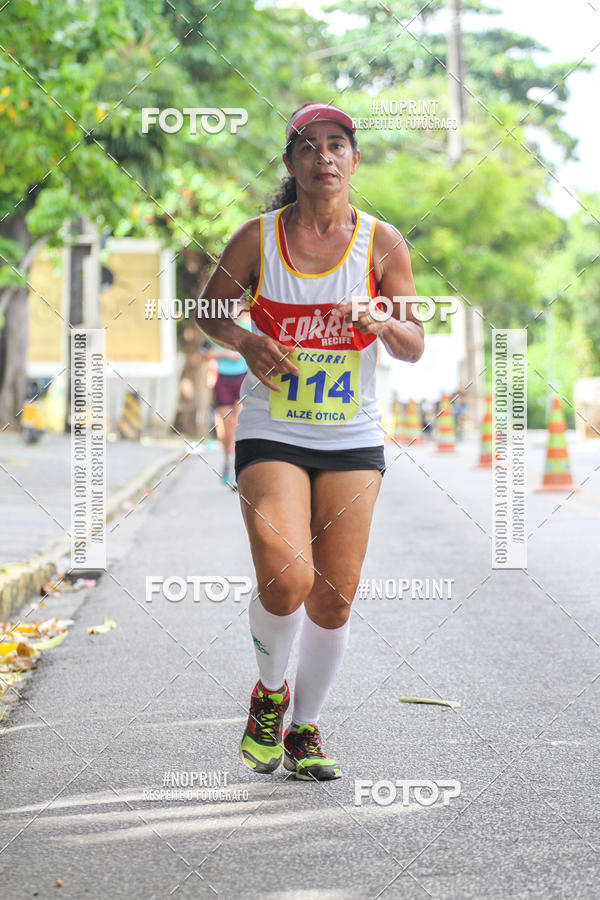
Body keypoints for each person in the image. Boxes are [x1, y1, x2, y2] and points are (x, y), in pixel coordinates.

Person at [198, 102, 424, 781]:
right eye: (308, 147)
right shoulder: (258, 238)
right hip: (273, 430)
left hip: (352, 436)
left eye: (337, 145)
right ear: (291, 164)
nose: (324, 157)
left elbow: (414, 344)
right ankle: (269, 694)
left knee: (334, 594)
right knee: (288, 577)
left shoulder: (382, 244)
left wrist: (381, 317)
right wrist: (248, 340)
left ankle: (304, 730)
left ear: (354, 160)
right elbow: (209, 308)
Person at [208, 303, 251, 486]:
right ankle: (227, 462)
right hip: (223, 380)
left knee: (238, 422)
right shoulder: (216, 328)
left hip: (242, 378)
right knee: (226, 426)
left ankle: (238, 467)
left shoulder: (250, 329)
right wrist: (225, 354)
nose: (236, 309)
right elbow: (204, 354)